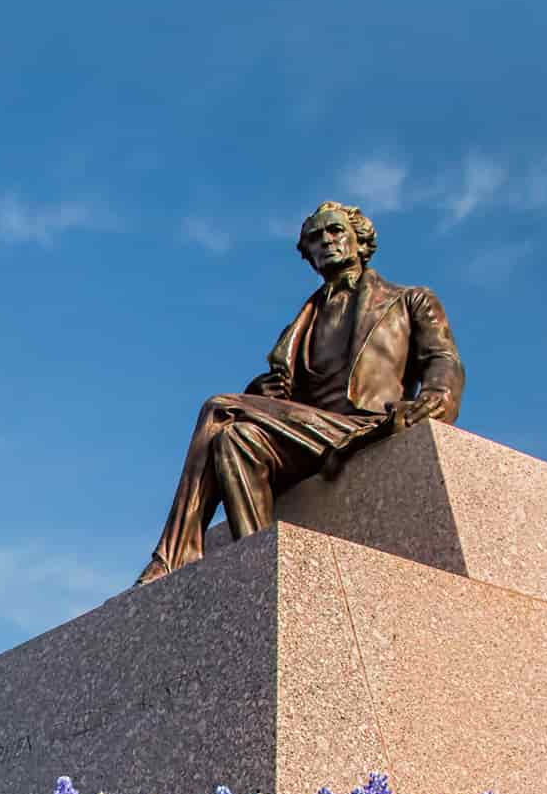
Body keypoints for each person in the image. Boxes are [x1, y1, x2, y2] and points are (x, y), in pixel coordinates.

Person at [135, 201, 465, 585]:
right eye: (313, 239)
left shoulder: (410, 300)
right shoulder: (301, 323)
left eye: (334, 231)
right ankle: (261, 564)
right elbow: (280, 397)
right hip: (306, 436)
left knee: (219, 408)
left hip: (365, 424)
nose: (324, 242)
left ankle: (174, 553)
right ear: (307, 255)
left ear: (359, 241)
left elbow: (442, 357)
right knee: (234, 439)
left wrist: (438, 397)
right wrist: (264, 390)